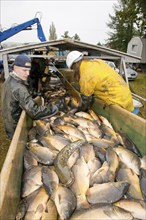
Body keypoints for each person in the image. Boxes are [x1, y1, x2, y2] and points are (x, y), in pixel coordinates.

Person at [2, 54, 58, 139]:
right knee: (16, 140)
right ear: (15, 67)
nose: (28, 74)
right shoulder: (19, 88)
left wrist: (33, 93)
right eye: (24, 70)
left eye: (29, 70)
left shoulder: (9, 79)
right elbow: (34, 112)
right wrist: (53, 108)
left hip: (9, 120)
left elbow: (18, 96)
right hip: (15, 124)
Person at [66, 51, 134, 112]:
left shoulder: (85, 76)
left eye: (73, 68)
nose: (73, 71)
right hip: (127, 96)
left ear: (76, 63)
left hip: (118, 102)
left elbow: (85, 100)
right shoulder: (97, 62)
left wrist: (75, 111)